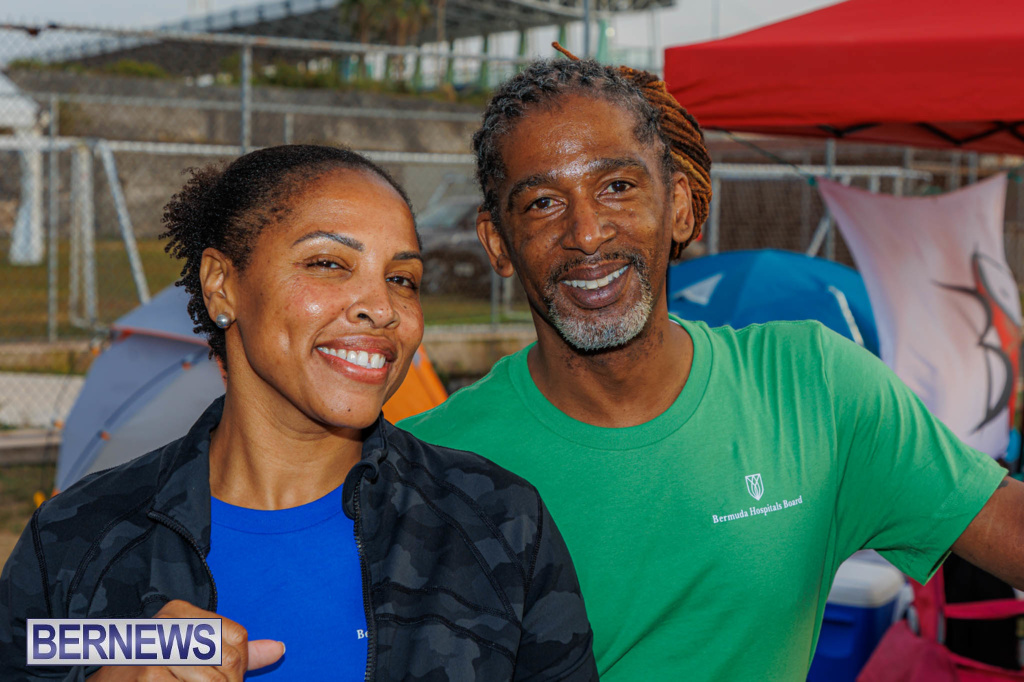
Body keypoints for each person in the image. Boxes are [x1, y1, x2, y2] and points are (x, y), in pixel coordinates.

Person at [400, 54, 1024, 680]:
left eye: (617, 187)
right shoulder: (426, 470)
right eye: (542, 202)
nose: (587, 233)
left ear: (679, 206)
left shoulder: (812, 386)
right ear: (498, 243)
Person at [0, 145, 597, 681]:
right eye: (328, 264)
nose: (381, 308)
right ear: (221, 285)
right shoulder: (74, 541)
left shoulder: (501, 525)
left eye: (402, 278)